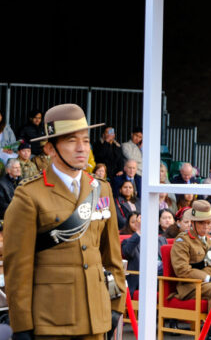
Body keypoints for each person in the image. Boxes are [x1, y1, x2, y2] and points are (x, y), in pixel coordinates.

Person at [5, 103, 125, 338]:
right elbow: (17, 268)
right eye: (71, 141)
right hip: (51, 319)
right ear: (50, 148)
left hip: (95, 316)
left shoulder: (101, 190)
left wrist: (114, 305)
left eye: (85, 140)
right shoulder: (29, 195)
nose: (81, 148)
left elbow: (112, 256)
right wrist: (21, 325)